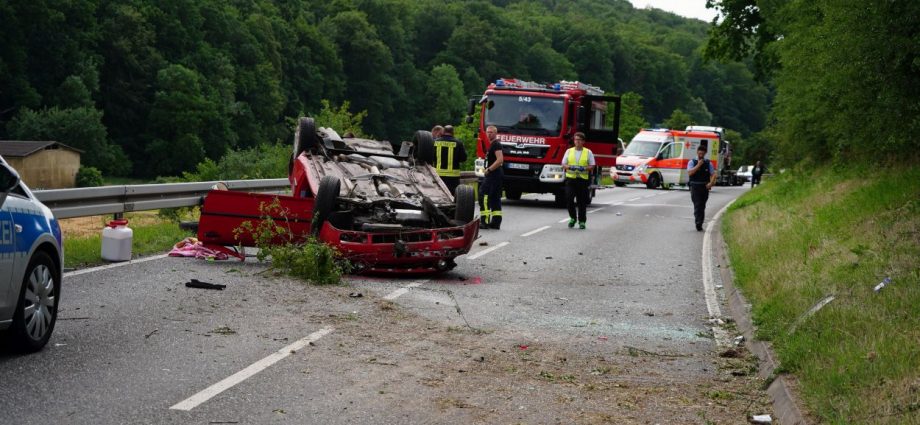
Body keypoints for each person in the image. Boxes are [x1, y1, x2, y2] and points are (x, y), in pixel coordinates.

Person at [562, 132, 594, 229]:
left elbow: (592, 165)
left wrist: (584, 168)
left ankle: (582, 221)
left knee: (581, 202)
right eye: (576, 139)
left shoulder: (588, 152)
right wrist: (570, 167)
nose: (577, 141)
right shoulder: (569, 151)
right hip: (570, 179)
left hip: (582, 180)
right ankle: (572, 218)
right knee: (569, 198)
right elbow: (563, 164)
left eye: (579, 140)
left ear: (583, 141)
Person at [479, 125, 504, 229]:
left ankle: (484, 221)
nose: (489, 134)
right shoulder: (492, 145)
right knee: (495, 197)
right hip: (496, 175)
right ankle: (496, 222)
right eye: (487, 132)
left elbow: (500, 160)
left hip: (493, 175)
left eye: (491, 132)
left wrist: (488, 170)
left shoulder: (496, 144)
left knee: (483, 195)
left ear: (495, 133)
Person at [687, 145, 717, 232]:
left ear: (705, 153)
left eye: (702, 153)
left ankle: (700, 221)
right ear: (697, 152)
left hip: (704, 187)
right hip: (695, 186)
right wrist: (698, 165)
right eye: (699, 153)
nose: (701, 155)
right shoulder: (692, 162)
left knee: (702, 205)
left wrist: (711, 183)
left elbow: (713, 174)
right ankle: (698, 222)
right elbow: (690, 173)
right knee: (697, 204)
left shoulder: (708, 163)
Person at [433, 125, 467, 196]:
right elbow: (463, 159)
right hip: (453, 176)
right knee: (453, 196)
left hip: (438, 175)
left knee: (439, 194)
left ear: (443, 131)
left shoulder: (435, 142)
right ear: (453, 132)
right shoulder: (458, 143)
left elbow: (431, 157)